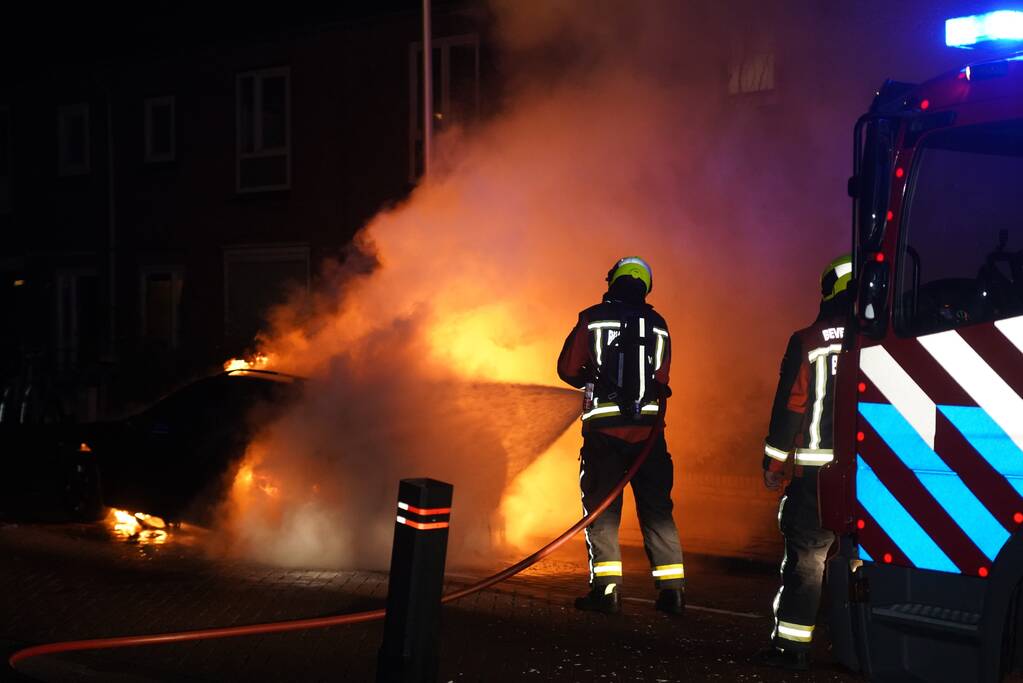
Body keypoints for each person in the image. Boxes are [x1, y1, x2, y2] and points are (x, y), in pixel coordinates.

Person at [557, 256, 686, 616]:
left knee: (602, 513)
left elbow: (567, 368)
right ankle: (672, 592)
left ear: (613, 281)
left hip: (604, 435)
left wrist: (591, 379)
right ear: (646, 286)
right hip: (648, 438)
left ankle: (607, 591)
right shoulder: (659, 325)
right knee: (658, 512)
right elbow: (661, 380)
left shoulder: (593, 318)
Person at [758, 254, 853, 671]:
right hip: (871, 475)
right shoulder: (882, 339)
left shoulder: (809, 340)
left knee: (807, 559)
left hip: (817, 474)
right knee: (856, 560)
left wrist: (773, 462)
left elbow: (791, 407)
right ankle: (853, 646)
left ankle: (791, 646)